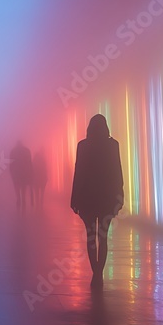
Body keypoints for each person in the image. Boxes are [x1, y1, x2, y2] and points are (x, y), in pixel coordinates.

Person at [70, 114, 123, 288]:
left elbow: (78, 173)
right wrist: (119, 196)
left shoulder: (83, 146)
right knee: (103, 236)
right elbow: (117, 172)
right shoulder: (112, 145)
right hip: (107, 197)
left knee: (91, 236)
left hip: (87, 197)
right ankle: (99, 272)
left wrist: (74, 198)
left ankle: (96, 273)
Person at [9, 141, 33, 208]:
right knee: (24, 186)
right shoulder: (27, 150)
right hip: (25, 172)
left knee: (16, 186)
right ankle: (23, 198)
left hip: (16, 172)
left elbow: (11, 163)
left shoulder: (13, 151)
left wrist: (11, 171)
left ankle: (18, 198)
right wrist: (31, 172)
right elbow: (30, 162)